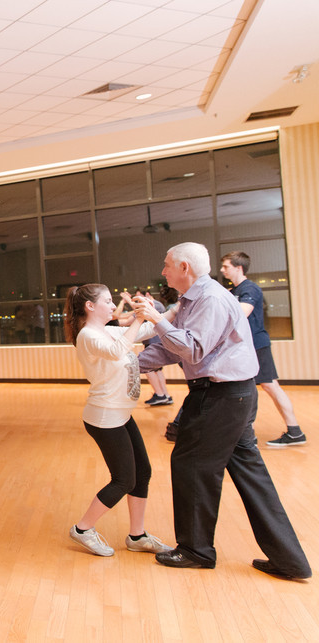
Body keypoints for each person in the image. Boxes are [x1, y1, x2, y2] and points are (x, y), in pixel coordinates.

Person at [133, 242, 310, 579]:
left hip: (221, 396)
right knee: (250, 474)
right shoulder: (195, 300)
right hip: (232, 395)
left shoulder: (211, 299)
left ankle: (195, 550)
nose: (163, 271)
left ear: (184, 267)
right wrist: (129, 364)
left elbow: (193, 349)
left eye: (167, 264)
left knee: (192, 465)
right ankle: (290, 561)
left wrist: (156, 318)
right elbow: (176, 349)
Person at [64, 286, 172, 557]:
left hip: (121, 413)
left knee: (142, 472)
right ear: (90, 306)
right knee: (124, 479)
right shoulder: (87, 335)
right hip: (104, 416)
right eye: (108, 301)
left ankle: (137, 535)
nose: (113, 306)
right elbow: (116, 350)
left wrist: (172, 310)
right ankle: (83, 528)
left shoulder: (106, 329)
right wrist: (138, 318)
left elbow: (147, 331)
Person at [220, 251, 306, 447]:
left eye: (226, 266)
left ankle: (294, 431)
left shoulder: (250, 288)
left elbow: (242, 313)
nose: (222, 270)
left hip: (257, 344)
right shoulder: (235, 290)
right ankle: (246, 432)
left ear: (238, 267)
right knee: (253, 386)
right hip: (245, 345)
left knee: (269, 385)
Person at [139, 290, 173, 407]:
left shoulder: (155, 304)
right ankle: (165, 395)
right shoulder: (158, 304)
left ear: (147, 295)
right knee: (157, 370)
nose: (138, 299)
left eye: (140, 296)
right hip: (155, 340)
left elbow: (132, 319)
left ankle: (160, 394)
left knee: (149, 369)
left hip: (153, 341)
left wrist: (126, 300)